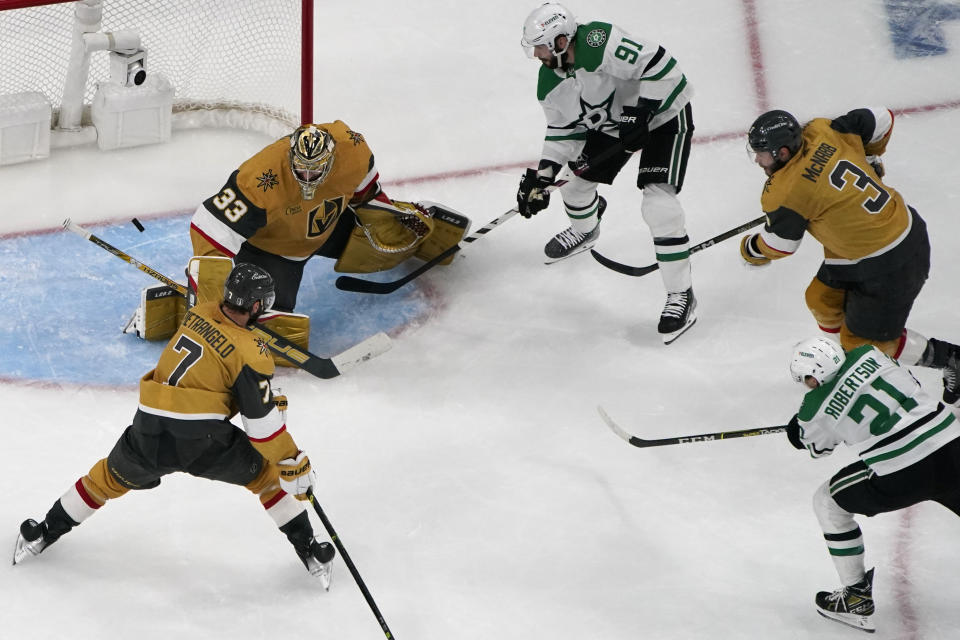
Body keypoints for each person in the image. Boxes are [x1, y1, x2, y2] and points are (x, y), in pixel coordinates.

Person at [14, 264, 336, 589]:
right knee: (268, 478)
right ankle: (308, 549)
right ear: (257, 306)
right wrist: (292, 460)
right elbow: (262, 428)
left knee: (105, 479)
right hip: (203, 440)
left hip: (149, 427)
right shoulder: (251, 354)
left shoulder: (198, 312)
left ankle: (42, 533)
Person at [740, 107, 960, 407]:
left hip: (890, 262)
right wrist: (870, 159)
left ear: (781, 152)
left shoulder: (784, 192)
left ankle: (952, 359)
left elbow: (781, 245)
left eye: (762, 154)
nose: (757, 160)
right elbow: (882, 118)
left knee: (867, 344)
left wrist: (751, 249)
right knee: (820, 299)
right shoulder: (822, 129)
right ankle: (845, 364)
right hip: (881, 237)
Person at [516, 3, 697, 344]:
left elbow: (663, 67)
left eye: (540, 45)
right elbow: (563, 131)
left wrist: (643, 112)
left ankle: (681, 295)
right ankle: (586, 230)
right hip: (616, 128)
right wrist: (543, 176)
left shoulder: (598, 41)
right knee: (572, 187)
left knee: (658, 207)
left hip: (663, 118)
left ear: (561, 41)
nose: (535, 54)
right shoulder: (548, 80)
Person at [189, 121, 471, 314]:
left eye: (315, 171)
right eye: (301, 170)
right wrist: (215, 292)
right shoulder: (261, 179)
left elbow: (367, 193)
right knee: (262, 316)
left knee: (388, 237)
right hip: (274, 250)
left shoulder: (353, 150)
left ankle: (412, 235)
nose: (308, 178)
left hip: (329, 223)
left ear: (331, 159)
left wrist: (391, 214)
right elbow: (209, 228)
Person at [784, 336, 960, 633]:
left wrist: (797, 431)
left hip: (903, 474)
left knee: (828, 502)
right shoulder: (870, 354)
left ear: (813, 376)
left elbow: (818, 448)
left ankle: (856, 598)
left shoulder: (813, 408)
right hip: (952, 446)